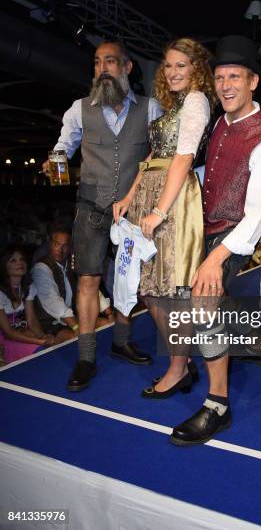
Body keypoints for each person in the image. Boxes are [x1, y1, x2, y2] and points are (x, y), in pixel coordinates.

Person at [170, 35, 261, 445]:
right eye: (220, 78)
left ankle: (217, 406)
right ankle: (250, 339)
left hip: (234, 236)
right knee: (197, 300)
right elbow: (212, 173)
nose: (226, 86)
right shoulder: (221, 121)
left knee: (204, 301)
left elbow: (255, 219)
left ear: (253, 81)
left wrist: (214, 259)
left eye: (235, 77)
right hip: (205, 226)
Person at [42, 40, 162, 392]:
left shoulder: (150, 108)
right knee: (88, 281)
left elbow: (160, 153)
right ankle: (86, 356)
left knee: (129, 280)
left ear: (127, 68)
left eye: (110, 61)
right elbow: (64, 146)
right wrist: (56, 159)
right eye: (97, 63)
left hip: (133, 211)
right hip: (91, 208)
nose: (102, 68)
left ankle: (122, 341)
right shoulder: (80, 109)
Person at [113, 37, 217, 397]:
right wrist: (129, 196)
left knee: (171, 289)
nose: (172, 72)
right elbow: (154, 155)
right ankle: (181, 360)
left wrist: (159, 209)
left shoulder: (197, 101)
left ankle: (177, 367)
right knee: (151, 289)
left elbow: (183, 159)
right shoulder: (173, 105)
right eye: (168, 65)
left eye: (181, 66)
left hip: (173, 199)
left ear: (196, 70)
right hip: (150, 193)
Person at [31, 220, 113, 340]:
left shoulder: (73, 263)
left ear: (70, 247)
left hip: (75, 317)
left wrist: (109, 313)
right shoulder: (41, 268)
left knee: (107, 324)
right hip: (53, 324)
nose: (60, 249)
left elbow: (90, 288)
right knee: (78, 339)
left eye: (64, 246)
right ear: (50, 244)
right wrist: (76, 327)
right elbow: (53, 302)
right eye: (56, 244)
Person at [0, 245, 55, 364]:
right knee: (40, 350)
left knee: (49, 348)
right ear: (4, 266)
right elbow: (8, 333)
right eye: (13, 260)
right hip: (4, 338)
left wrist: (42, 337)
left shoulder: (28, 288)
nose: (20, 263)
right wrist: (39, 342)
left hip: (20, 332)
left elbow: (32, 321)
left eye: (22, 259)